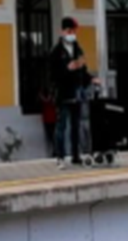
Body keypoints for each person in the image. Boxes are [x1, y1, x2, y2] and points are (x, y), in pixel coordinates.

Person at [48, 17, 91, 168]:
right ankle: (60, 157)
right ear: (62, 31)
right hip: (63, 94)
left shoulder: (78, 49)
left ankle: (75, 156)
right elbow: (52, 75)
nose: (72, 34)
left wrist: (90, 79)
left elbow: (83, 70)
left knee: (75, 125)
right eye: (69, 31)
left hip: (77, 93)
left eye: (74, 31)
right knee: (61, 126)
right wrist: (67, 69)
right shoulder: (56, 52)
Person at [39, 87, 58, 156]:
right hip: (48, 120)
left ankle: (54, 150)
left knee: (51, 136)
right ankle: (54, 150)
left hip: (50, 120)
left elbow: (46, 100)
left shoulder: (50, 100)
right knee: (50, 136)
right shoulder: (50, 100)